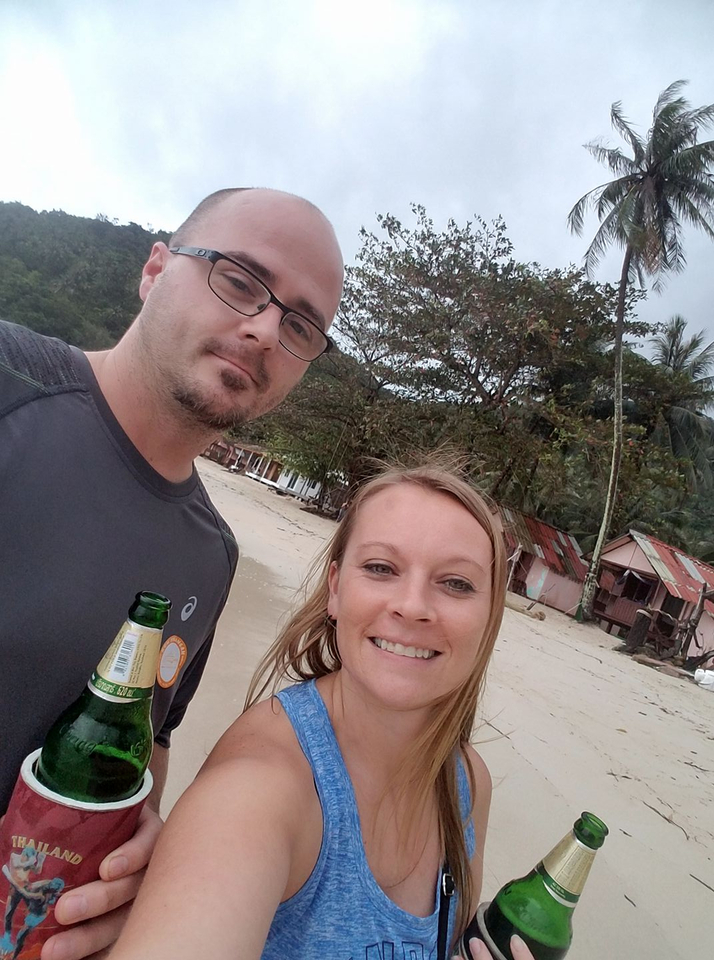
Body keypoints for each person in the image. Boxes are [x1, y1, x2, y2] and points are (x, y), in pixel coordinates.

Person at [0, 187, 345, 960]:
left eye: (299, 325)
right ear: (155, 269)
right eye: (239, 280)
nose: (262, 329)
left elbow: (150, 748)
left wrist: (136, 857)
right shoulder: (10, 384)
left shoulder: (210, 556)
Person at [105, 462, 535, 960]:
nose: (413, 606)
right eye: (381, 568)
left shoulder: (467, 785)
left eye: (457, 583)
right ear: (335, 588)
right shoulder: (255, 797)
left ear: (489, 616)